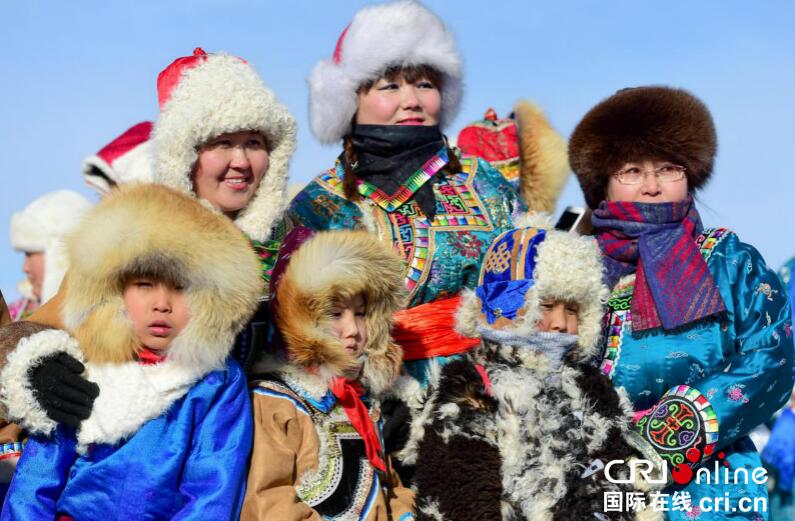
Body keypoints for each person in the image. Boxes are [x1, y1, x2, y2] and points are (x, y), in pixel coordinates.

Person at [0, 47, 297, 433]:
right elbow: (44, 328)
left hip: (267, 463)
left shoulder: (298, 244)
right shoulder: (127, 240)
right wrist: (35, 366)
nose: (240, 161)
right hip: (144, 463)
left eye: (254, 143)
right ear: (185, 152)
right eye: (222, 143)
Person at [286, 0, 572, 383]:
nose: (412, 101)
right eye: (390, 85)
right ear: (351, 100)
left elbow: (539, 286)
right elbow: (299, 323)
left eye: (425, 84)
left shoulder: (485, 183)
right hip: (367, 396)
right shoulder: (320, 204)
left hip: (484, 390)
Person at [568, 86, 795, 520]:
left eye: (668, 168)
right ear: (603, 183)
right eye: (632, 170)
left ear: (690, 174)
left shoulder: (729, 262)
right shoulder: (571, 268)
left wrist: (662, 439)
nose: (652, 186)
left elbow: (772, 361)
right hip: (595, 488)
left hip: (713, 490)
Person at [1, 183, 259, 519]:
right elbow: (36, 482)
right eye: (144, 285)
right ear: (117, 290)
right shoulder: (83, 363)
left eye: (180, 287)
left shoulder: (216, 382)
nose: (162, 304)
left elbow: (211, 489)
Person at [406, 224, 662, 520]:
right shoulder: (472, 386)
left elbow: (624, 470)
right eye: (546, 305)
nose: (560, 324)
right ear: (508, 303)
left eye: (572, 310)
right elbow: (462, 497)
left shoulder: (590, 386)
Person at [241, 227, 415, 520]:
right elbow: (268, 500)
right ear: (300, 318)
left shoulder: (361, 401)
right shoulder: (275, 401)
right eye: (335, 314)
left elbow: (389, 488)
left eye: (360, 314)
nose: (353, 330)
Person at [8, 190, 93, 321]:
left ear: (60, 256)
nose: (25, 267)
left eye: (30, 254)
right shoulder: (10, 317)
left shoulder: (103, 322)